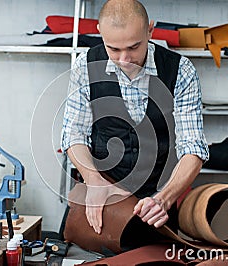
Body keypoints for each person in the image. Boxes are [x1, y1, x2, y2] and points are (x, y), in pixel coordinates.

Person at [61, 0, 209, 235]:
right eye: (114, 49)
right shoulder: (85, 67)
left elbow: (193, 149)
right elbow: (73, 134)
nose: (124, 59)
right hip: (102, 201)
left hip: (158, 203)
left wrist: (164, 199)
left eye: (133, 47)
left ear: (150, 30)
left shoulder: (181, 71)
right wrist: (93, 179)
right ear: (100, 33)